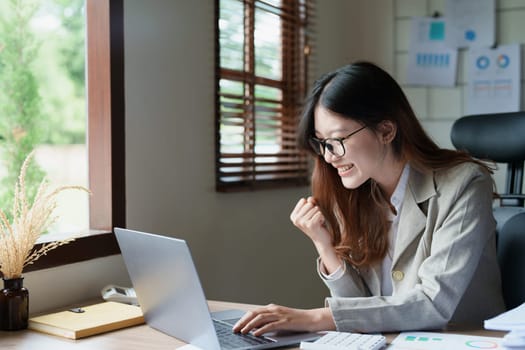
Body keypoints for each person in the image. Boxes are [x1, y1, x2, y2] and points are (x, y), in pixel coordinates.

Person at [232, 61, 506, 335]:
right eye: (322, 142)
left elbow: (433, 304)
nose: (328, 156)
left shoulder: (464, 184)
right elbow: (361, 310)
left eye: (337, 139)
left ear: (386, 131)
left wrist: (314, 318)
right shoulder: (357, 193)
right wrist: (324, 245)